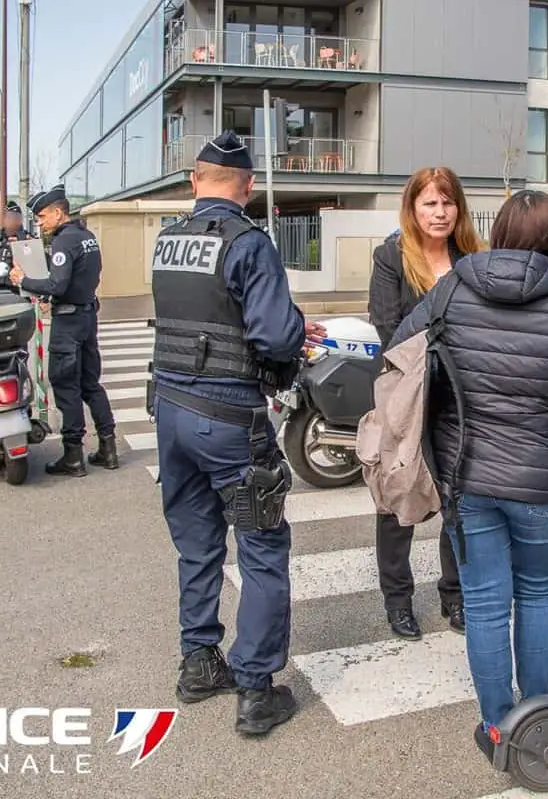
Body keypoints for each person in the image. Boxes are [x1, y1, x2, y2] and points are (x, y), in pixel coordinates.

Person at [390, 190, 548, 757]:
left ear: (500, 235)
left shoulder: (453, 288)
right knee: (538, 594)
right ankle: (536, 721)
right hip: (543, 478)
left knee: (486, 602)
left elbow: (400, 355)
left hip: (466, 476)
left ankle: (497, 729)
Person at [148, 131, 322, 735]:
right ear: (247, 188)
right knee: (262, 548)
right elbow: (274, 338)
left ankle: (199, 662)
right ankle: (256, 689)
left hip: (170, 413)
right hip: (228, 422)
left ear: (195, 182)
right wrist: (298, 326)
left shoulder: (167, 242)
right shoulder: (250, 243)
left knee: (197, 543)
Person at [367, 166, 484, 640]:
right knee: (398, 501)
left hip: (462, 400)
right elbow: (387, 326)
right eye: (429, 203)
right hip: (408, 398)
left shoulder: (473, 257)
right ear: (413, 209)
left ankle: (454, 595)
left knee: (460, 503)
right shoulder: (392, 257)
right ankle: (398, 601)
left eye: (448, 202)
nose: (440, 213)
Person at [8, 185, 118, 476]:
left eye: (43, 216)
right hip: (86, 317)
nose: (40, 222)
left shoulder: (63, 242)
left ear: (59, 212)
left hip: (68, 325)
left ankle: (72, 457)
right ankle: (109, 449)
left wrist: (25, 279)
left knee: (66, 386)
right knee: (91, 385)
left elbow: (57, 284)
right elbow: (86, 277)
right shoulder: (87, 237)